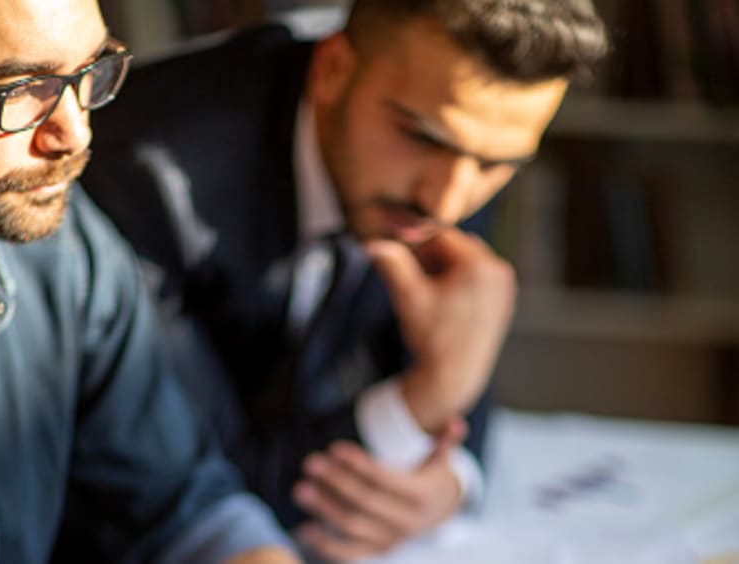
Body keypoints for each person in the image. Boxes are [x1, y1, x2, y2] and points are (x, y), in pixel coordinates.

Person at [83, 0, 609, 560]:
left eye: (497, 165)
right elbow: (191, 492)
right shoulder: (147, 179)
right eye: (423, 137)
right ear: (333, 69)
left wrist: (450, 480)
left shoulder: (450, 148)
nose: (448, 202)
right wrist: (428, 399)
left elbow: (458, 342)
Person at [0, 0, 302, 562]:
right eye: (20, 89)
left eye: (90, 72)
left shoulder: (60, 247)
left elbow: (179, 504)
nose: (76, 133)